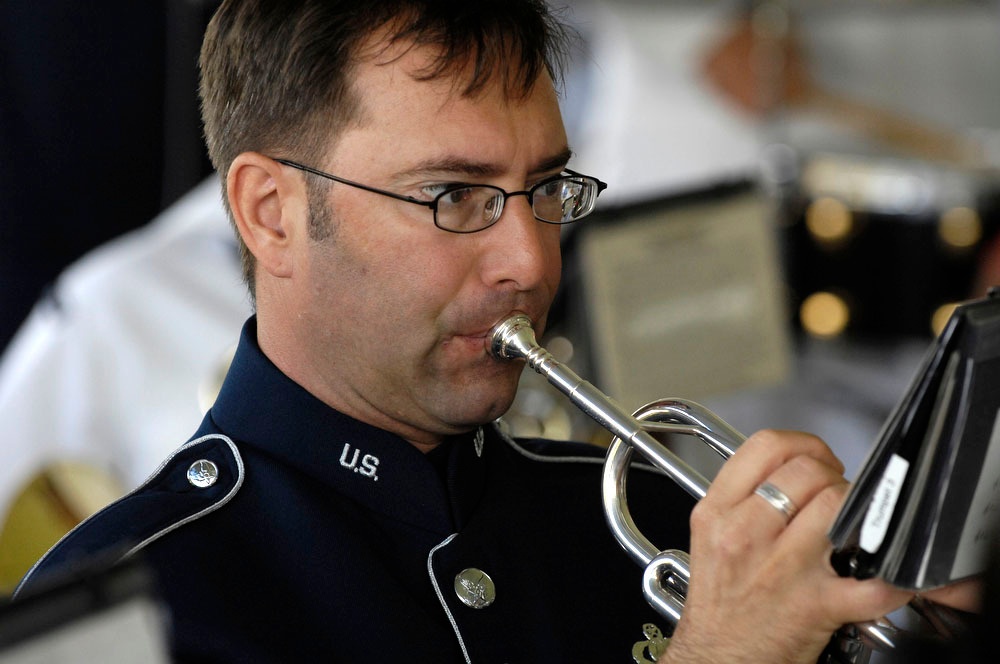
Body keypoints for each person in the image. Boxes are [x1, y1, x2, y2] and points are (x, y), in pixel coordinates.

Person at [14, 1, 917, 662]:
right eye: (455, 196)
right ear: (272, 212)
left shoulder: (650, 514)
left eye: (546, 191)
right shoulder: (126, 607)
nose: (529, 260)